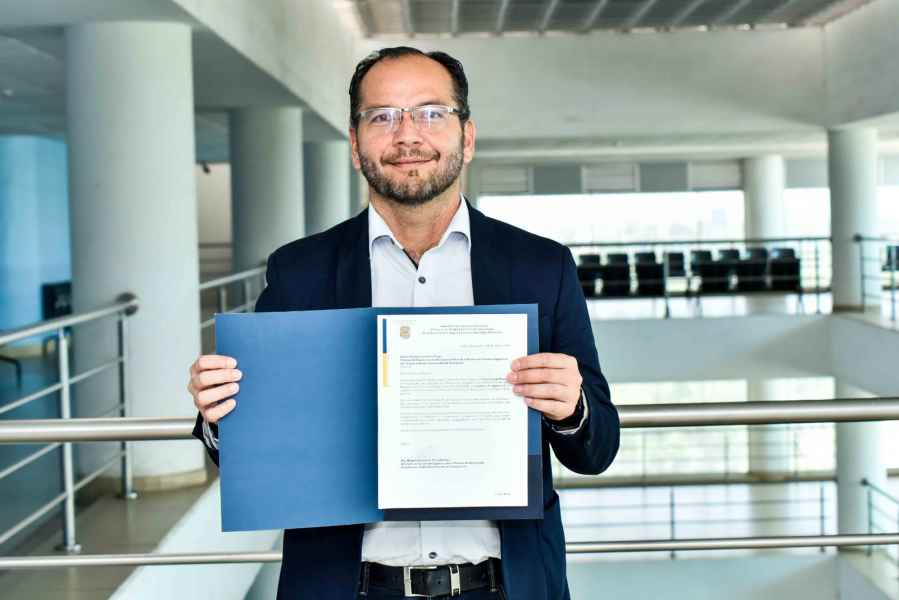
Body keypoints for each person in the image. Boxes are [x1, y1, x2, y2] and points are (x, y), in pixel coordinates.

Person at [187, 46, 619, 600]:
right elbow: (254, 455)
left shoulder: (540, 266)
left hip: (503, 586)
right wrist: (222, 416)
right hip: (349, 588)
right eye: (382, 116)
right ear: (355, 143)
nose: (407, 134)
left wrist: (571, 407)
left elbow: (597, 450)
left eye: (431, 113)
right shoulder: (300, 271)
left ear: (467, 137)